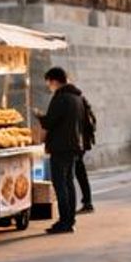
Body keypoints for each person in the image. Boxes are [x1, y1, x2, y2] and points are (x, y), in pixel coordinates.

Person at [39, 66, 85, 234]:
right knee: (69, 183)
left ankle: (64, 221)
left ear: (54, 81)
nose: (49, 87)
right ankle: (70, 219)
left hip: (60, 147)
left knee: (60, 185)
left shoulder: (60, 98)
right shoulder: (77, 97)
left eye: (49, 83)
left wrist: (40, 119)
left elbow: (50, 122)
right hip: (73, 146)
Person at [75, 95, 97, 213]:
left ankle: (87, 202)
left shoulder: (76, 103)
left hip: (78, 143)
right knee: (80, 173)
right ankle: (87, 201)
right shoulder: (82, 102)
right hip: (82, 143)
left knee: (79, 173)